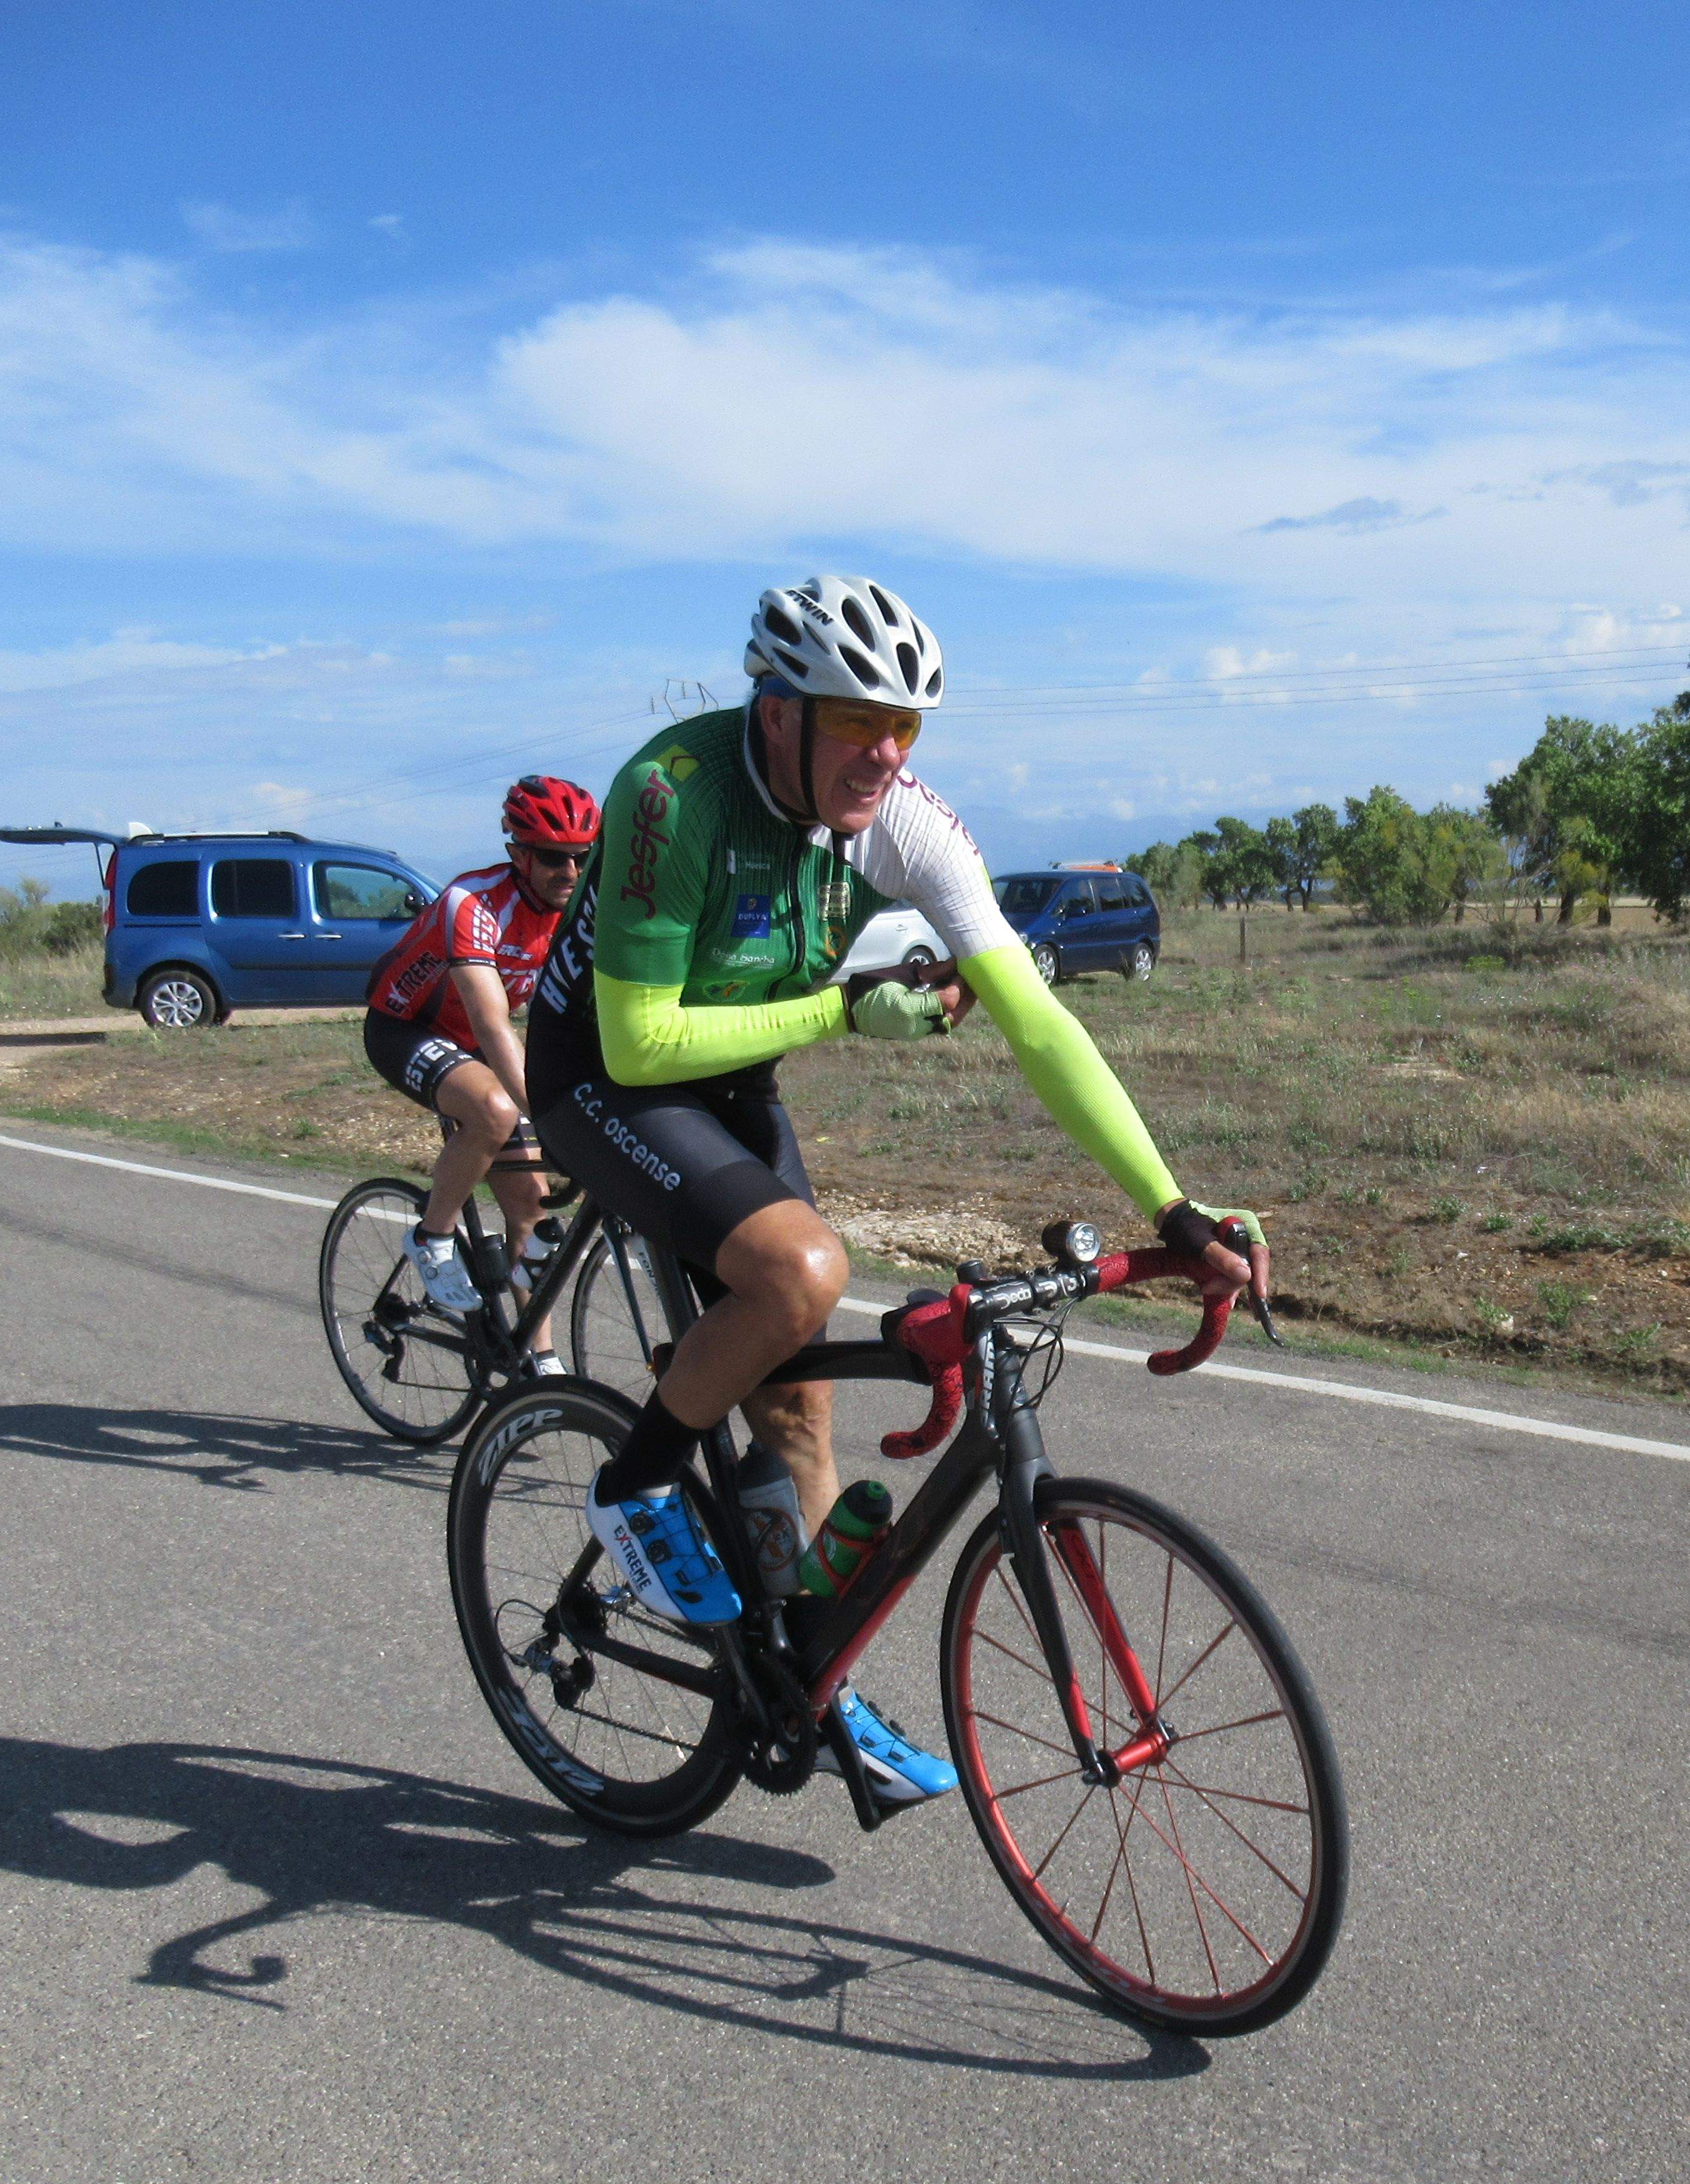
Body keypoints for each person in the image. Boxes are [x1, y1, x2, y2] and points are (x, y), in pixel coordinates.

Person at [525, 576, 1266, 1808]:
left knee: (800, 1399)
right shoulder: (670, 794)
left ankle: (814, 1684)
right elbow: (645, 1045)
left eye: (905, 725)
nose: (885, 752)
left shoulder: (904, 824)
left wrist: (1171, 1204)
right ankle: (634, 1482)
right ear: (777, 711)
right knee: (803, 1270)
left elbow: (1037, 1019)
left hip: (732, 1076)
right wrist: (841, 1012)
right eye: (858, 721)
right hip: (601, 1073)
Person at [361, 775, 601, 1356]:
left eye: (582, 856)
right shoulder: (472, 903)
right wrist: (549, 1117)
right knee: (494, 1109)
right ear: (519, 853)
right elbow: (493, 1027)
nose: (570, 871)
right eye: (553, 857)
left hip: (470, 1046)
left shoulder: (580, 910)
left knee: (531, 1206)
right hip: (406, 1030)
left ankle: (538, 1364)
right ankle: (432, 1236)